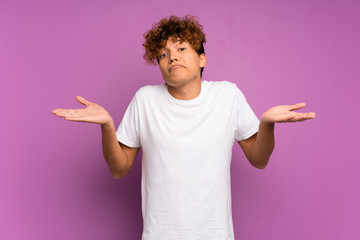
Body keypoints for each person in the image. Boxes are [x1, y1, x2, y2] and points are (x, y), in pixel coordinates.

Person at [52, 15, 315, 240]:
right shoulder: (146, 99)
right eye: (163, 54)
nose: (171, 57)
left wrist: (266, 124)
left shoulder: (228, 95)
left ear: (202, 59)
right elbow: (119, 169)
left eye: (180, 49)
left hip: (215, 234)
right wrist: (107, 126)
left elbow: (258, 159)